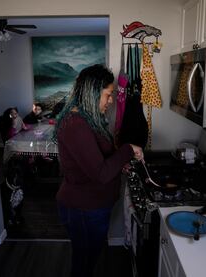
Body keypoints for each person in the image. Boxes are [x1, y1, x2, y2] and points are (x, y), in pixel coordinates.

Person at [53, 64, 144, 277]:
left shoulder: (86, 119)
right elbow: (101, 173)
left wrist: (118, 161)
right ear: (92, 93)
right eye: (108, 95)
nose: (110, 100)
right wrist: (128, 149)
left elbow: (96, 160)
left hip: (91, 208)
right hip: (83, 210)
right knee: (84, 264)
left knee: (88, 260)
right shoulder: (75, 124)